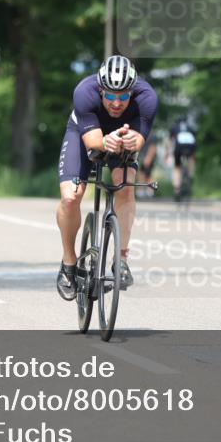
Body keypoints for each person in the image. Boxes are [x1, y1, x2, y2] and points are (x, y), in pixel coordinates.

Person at [55, 55, 158, 300]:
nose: (116, 102)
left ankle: (120, 260)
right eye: (110, 95)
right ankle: (69, 263)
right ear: (101, 89)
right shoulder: (84, 92)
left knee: (125, 186)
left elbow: (140, 141)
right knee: (71, 197)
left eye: (123, 96)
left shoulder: (148, 98)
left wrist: (132, 140)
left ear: (132, 92)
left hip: (123, 135)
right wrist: (104, 141)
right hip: (85, 133)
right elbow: (92, 143)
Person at [168, 115, 198, 200]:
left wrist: (168, 154)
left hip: (179, 147)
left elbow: (170, 142)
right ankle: (191, 174)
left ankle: (177, 190)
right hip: (191, 146)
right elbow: (194, 140)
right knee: (191, 159)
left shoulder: (175, 127)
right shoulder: (190, 127)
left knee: (177, 168)